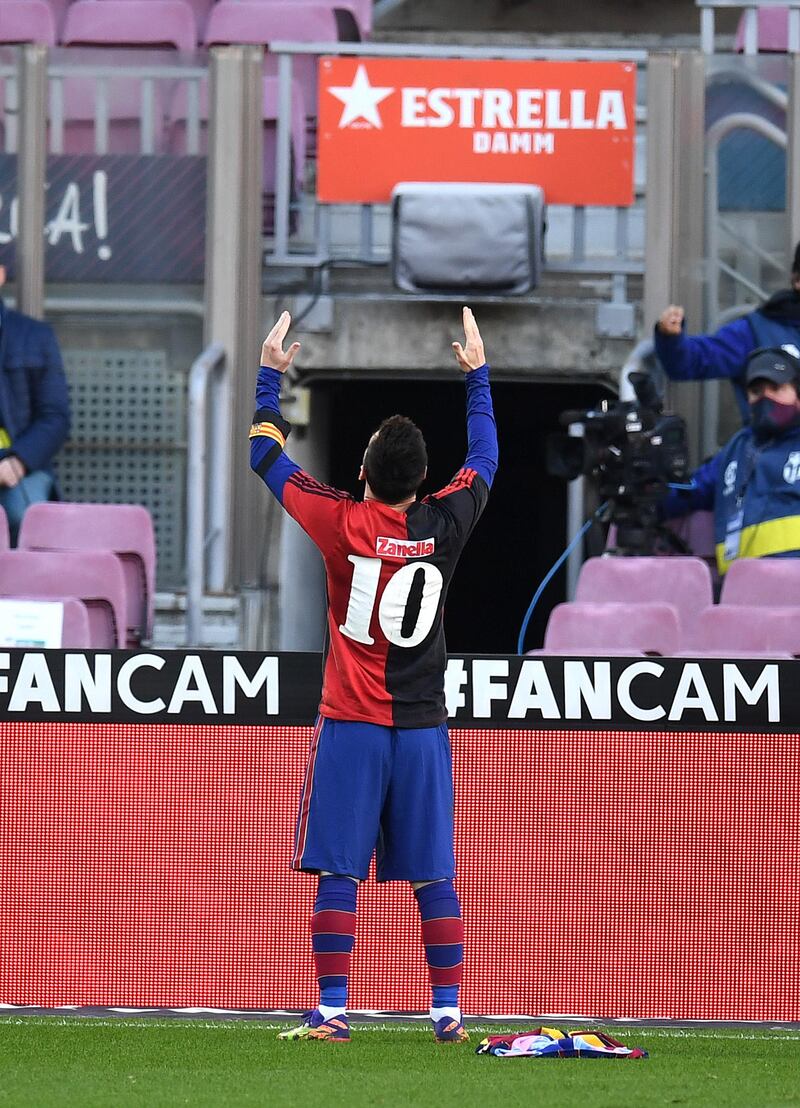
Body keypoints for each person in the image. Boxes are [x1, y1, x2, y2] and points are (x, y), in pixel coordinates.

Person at [249, 307, 498, 1045]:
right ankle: (448, 1013)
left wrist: (272, 374)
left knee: (338, 870)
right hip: (421, 729)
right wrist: (476, 377)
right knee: (433, 873)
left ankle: (331, 1010)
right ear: (425, 481)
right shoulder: (446, 524)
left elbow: (266, 454)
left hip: (352, 724)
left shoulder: (339, 522)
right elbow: (484, 458)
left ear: (362, 473)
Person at [661, 346, 800, 573]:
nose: (766, 397)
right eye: (756, 391)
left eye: (776, 388)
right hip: (739, 593)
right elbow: (689, 491)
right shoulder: (736, 449)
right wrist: (648, 492)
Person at [655, 242, 800, 423]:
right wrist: (671, 338)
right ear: (797, 280)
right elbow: (688, 362)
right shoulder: (757, 330)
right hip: (773, 447)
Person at [0, 265, 70, 543]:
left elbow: (55, 417)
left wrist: (17, 463)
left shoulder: (33, 336)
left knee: (25, 517)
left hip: (15, 466)